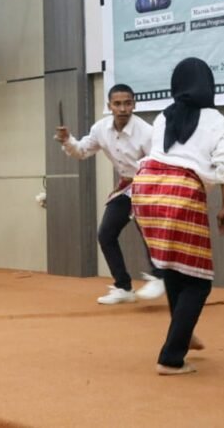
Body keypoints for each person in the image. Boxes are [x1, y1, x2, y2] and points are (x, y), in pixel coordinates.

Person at [131, 58, 224, 375]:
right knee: (199, 282)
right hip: (180, 192)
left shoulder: (165, 115)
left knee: (174, 270)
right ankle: (171, 357)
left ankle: (183, 331)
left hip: (146, 190)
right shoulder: (216, 119)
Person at [54, 84, 165, 304]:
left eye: (127, 103)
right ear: (109, 106)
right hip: (126, 187)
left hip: (149, 185)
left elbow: (158, 165)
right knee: (106, 234)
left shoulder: (147, 132)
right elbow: (82, 151)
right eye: (118, 103)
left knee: (149, 232)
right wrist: (67, 140)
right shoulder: (100, 129)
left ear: (134, 104)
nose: (123, 108)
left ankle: (160, 276)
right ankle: (123, 287)